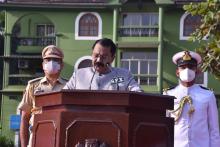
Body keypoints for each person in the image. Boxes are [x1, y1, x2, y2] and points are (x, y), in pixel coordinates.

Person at [163, 50, 220, 147]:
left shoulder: (208, 95)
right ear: (177, 72)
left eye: (191, 67)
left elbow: (214, 129)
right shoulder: (168, 94)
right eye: (183, 67)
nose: (187, 70)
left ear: (197, 71)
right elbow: (163, 126)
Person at [18, 45, 67, 147]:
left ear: (62, 65)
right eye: (48, 60)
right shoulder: (33, 86)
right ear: (43, 64)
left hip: (61, 138)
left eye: (55, 60)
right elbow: (24, 118)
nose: (51, 63)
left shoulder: (69, 86)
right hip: (37, 136)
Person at [63, 38, 142, 92]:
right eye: (96, 55)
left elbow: (136, 91)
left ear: (112, 58)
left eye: (104, 57)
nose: (98, 60)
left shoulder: (123, 75)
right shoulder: (79, 75)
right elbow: (64, 94)